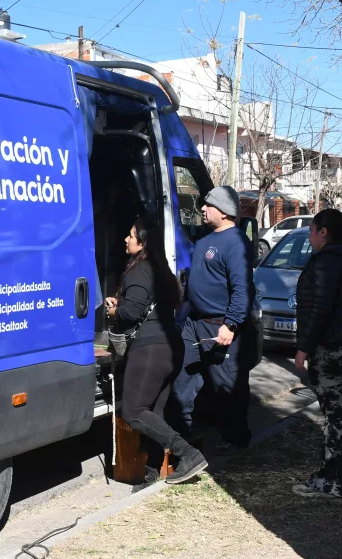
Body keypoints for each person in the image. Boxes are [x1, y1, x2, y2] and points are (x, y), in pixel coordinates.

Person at [106, 216, 208, 491]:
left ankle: (187, 454)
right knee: (154, 413)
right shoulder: (162, 269)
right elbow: (146, 304)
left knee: (134, 411)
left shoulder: (140, 270)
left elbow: (132, 313)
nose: (126, 240)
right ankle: (151, 475)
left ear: (142, 242)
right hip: (169, 346)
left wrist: (114, 310)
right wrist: (124, 302)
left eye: (130, 235)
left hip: (151, 348)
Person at [292, 209, 342, 498]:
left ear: (322, 231)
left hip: (333, 346)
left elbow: (319, 308)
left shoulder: (327, 262)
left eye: (311, 230)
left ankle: (332, 480)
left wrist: (303, 347)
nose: (310, 237)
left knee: (334, 413)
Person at [173, 186, 254, 455]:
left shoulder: (236, 242)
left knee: (227, 386)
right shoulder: (205, 239)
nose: (203, 209)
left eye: (208, 205)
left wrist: (230, 325)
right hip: (194, 324)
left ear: (223, 210)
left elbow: (242, 289)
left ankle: (235, 443)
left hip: (219, 327)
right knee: (183, 379)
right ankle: (182, 439)